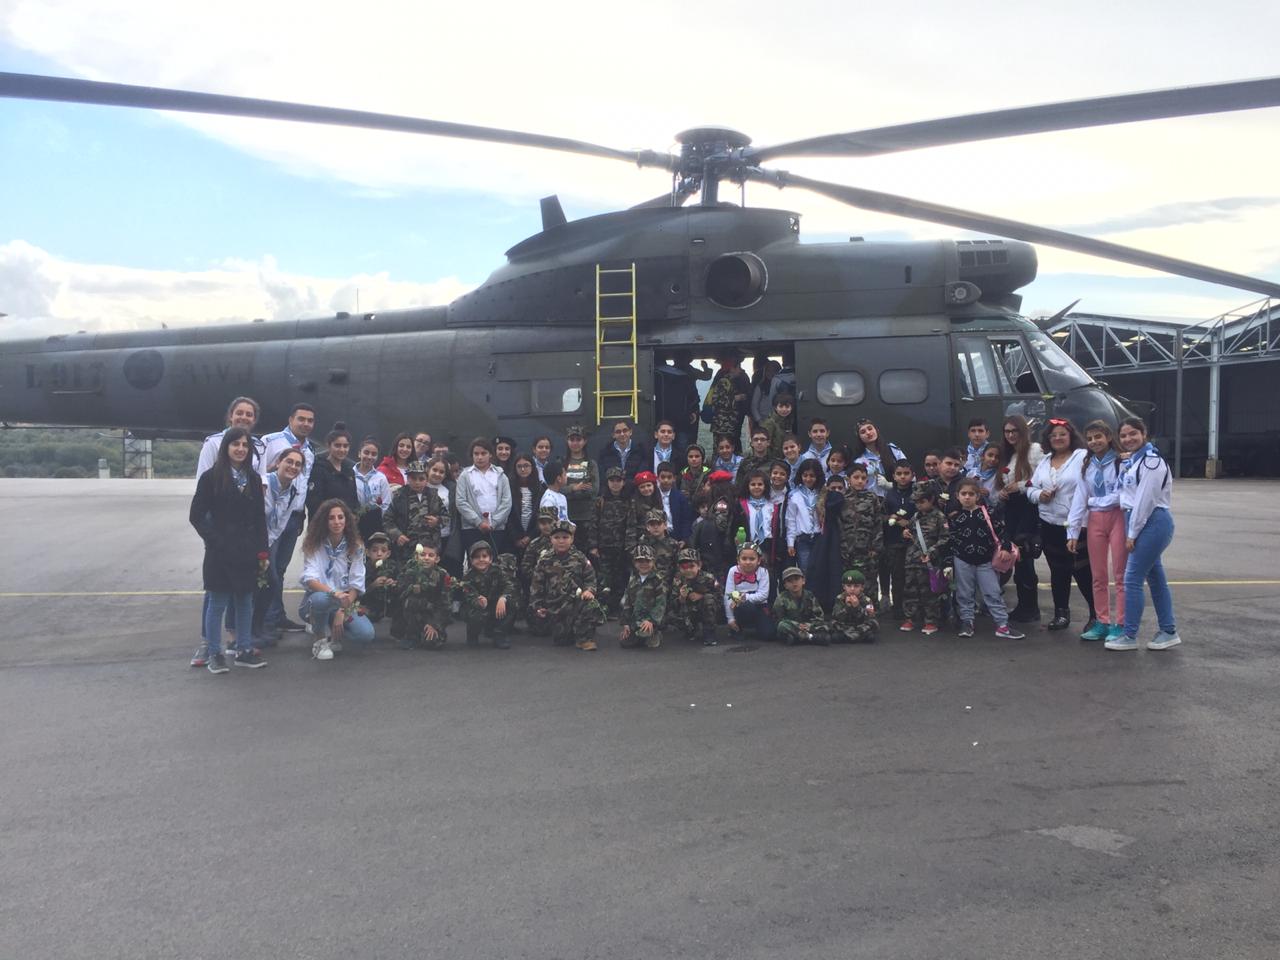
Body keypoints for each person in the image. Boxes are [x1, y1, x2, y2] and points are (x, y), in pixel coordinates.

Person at [189, 427, 269, 673]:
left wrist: (263, 551)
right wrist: (215, 540)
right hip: (220, 551)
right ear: (226, 447)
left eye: (245, 445)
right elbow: (196, 515)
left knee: (245, 601)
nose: (240, 449)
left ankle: (243, 650)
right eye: (236, 444)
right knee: (218, 602)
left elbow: (259, 518)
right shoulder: (211, 478)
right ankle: (215, 653)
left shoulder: (253, 479)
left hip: (247, 550)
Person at [1105, 417, 1179, 652]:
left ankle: (1129, 635)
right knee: (1155, 578)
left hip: (1151, 522)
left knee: (1132, 579)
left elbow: (1145, 502)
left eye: (1133, 434)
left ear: (1144, 434)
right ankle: (1168, 630)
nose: (1128, 439)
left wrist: (1132, 533)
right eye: (1124, 435)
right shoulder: (1135, 462)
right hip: (1140, 521)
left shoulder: (1151, 463)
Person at [1027, 418, 1095, 633]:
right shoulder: (1045, 461)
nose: (1057, 438)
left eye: (1062, 434)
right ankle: (1061, 613)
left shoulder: (1082, 456)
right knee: (1057, 571)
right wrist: (1040, 494)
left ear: (1071, 436)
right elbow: (1030, 489)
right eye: (1053, 435)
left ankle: (1096, 615)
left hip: (1077, 525)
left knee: (1082, 571)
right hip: (1050, 523)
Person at [1067, 420, 1128, 643]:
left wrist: (1095, 501)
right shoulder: (1087, 466)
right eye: (1090, 438)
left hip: (1118, 517)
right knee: (1098, 575)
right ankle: (1102, 621)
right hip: (1095, 521)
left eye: (1098, 437)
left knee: (1121, 574)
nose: (1094, 442)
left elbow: (1122, 494)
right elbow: (1079, 499)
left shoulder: (1122, 463)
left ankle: (1121, 623)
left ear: (1109, 437)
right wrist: (1072, 532)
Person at [259, 403, 317, 632]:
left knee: (280, 569)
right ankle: (263, 620)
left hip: (294, 516)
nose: (305, 424)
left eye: (310, 420)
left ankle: (276, 616)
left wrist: (302, 515)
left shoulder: (310, 450)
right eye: (301, 419)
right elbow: (258, 473)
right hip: (272, 515)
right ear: (291, 419)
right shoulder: (271, 441)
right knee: (268, 571)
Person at [299, 498, 373, 661]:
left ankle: (333, 634)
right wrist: (334, 593)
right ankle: (320, 640)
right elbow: (310, 579)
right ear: (324, 522)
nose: (337, 522)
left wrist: (342, 611)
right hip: (318, 598)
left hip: (344, 600)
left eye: (340, 517)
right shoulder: (314, 544)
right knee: (321, 599)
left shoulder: (356, 546)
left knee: (366, 634)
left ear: (347, 520)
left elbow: (356, 584)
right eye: (331, 518)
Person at [950, 479, 1025, 640]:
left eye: (971, 494)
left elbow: (1002, 531)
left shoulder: (988, 512)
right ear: (957, 496)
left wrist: (1005, 548)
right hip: (962, 559)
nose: (967, 497)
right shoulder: (954, 516)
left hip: (986, 560)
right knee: (964, 593)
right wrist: (948, 562)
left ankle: (1002, 625)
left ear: (978, 496)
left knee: (993, 592)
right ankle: (967, 622)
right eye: (964, 494)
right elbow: (949, 539)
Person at [249, 447, 305, 649]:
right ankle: (248, 631)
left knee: (270, 583)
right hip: (251, 540)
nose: (293, 467)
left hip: (268, 541)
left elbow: (281, 522)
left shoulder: (293, 491)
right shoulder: (262, 484)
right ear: (279, 462)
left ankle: (258, 627)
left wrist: (268, 546)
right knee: (259, 584)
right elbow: (251, 516)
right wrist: (259, 547)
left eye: (298, 464)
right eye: (289, 461)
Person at [530, 520, 606, 651]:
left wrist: (589, 590)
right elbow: (536, 585)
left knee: (591, 604)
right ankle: (569, 630)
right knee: (561, 640)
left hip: (575, 603)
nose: (561, 541)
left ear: (572, 539)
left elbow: (590, 578)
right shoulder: (544, 560)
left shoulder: (580, 558)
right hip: (555, 606)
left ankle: (584, 638)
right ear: (551, 539)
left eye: (565, 537)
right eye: (557, 537)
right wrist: (538, 606)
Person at [999, 415, 1043, 623]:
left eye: (1014, 431)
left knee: (1025, 558)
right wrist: (1002, 492)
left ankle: (1030, 607)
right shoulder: (1007, 454)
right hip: (1012, 509)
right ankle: (1024, 605)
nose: (1010, 435)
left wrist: (1021, 485)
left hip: (1028, 507)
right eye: (1007, 431)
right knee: (1018, 559)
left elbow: (1042, 478)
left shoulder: (1034, 450)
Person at [900, 482, 948, 635]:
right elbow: (911, 533)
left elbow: (945, 538)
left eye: (922, 501)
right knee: (910, 590)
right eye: (916, 502)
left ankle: (930, 620)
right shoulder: (915, 517)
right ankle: (910, 617)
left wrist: (932, 552)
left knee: (929, 592)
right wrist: (905, 534)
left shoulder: (939, 517)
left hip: (928, 562)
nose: (919, 505)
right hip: (912, 561)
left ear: (931, 499)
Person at [588, 467, 636, 615]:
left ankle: (616, 609)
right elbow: (593, 524)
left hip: (622, 548)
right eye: (612, 480)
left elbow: (631, 525)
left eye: (618, 480)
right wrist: (593, 546)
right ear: (607, 482)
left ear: (623, 482)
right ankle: (602, 609)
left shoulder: (629, 502)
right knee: (604, 580)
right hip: (604, 548)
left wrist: (630, 547)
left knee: (620, 579)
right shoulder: (600, 501)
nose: (615, 483)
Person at [456, 437, 513, 556]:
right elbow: (461, 502)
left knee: (494, 560)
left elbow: (506, 502)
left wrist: (494, 522)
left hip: (496, 528)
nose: (480, 457)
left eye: (483, 453)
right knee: (475, 560)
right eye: (476, 454)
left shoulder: (500, 475)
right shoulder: (465, 475)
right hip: (472, 529)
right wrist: (478, 522)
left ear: (490, 454)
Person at [839, 463, 884, 606]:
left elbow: (878, 523)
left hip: (867, 549)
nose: (860, 481)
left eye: (863, 478)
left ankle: (871, 610)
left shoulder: (872, 498)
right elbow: (838, 525)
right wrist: (842, 547)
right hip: (847, 549)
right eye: (856, 477)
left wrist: (875, 547)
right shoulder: (842, 498)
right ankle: (848, 610)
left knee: (869, 581)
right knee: (849, 581)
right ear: (848, 479)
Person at [458, 540, 517, 649]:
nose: (481, 559)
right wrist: (477, 599)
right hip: (477, 606)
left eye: (484, 556)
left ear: (490, 559)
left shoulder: (498, 570)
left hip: (494, 603)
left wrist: (503, 598)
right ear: (471, 560)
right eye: (477, 557)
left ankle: (499, 634)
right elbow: (467, 594)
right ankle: (472, 635)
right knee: (474, 611)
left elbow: (509, 585)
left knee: (511, 603)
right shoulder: (468, 576)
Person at [383, 460, 446, 563]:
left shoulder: (433, 496)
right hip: (406, 547)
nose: (417, 482)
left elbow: (446, 517)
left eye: (421, 479)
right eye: (413, 478)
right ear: (408, 479)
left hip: (429, 548)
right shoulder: (399, 496)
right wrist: (397, 535)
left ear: (426, 479)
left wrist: (437, 521)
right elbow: (387, 520)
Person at [395, 541, 452, 649]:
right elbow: (399, 593)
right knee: (410, 601)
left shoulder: (442, 575)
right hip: (412, 614)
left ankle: (430, 633)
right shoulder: (409, 572)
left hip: (433, 614)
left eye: (431, 555)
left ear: (437, 559)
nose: (426, 558)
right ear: (416, 557)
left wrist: (434, 624)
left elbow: (446, 605)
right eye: (423, 555)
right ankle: (411, 636)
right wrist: (411, 588)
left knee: (433, 643)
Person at [882, 459, 917, 620]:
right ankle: (898, 610)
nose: (903, 477)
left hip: (914, 541)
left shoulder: (917, 492)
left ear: (912, 475)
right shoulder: (889, 495)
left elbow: (925, 512)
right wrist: (893, 518)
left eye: (906, 473)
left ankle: (915, 609)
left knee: (914, 577)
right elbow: (881, 516)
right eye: (899, 474)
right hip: (894, 541)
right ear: (894, 476)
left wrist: (909, 523)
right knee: (897, 577)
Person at [196, 396, 263, 477]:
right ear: (231, 416)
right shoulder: (213, 443)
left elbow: (262, 478)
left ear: (254, 420)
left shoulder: (259, 446)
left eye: (249, 415)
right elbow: (202, 477)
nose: (243, 417)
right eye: (239, 413)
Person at [619, 544, 668, 649]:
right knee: (625, 642)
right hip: (636, 618)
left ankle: (655, 633)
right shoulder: (633, 579)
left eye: (647, 561)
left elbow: (661, 604)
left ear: (653, 562)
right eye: (640, 561)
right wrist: (626, 623)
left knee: (647, 638)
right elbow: (627, 602)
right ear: (634, 562)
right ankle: (637, 634)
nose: (644, 564)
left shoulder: (658, 580)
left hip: (651, 618)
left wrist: (651, 620)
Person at [669, 547, 720, 646]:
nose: (688, 570)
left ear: (699, 565)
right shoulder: (678, 580)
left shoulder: (708, 578)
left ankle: (709, 632)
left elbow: (719, 596)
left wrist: (702, 596)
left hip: (704, 609)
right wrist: (681, 598)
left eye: (691, 566)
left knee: (709, 600)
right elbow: (672, 603)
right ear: (679, 567)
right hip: (687, 610)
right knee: (671, 615)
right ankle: (690, 630)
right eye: (684, 567)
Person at [724, 541, 775, 641]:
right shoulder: (733, 571)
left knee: (769, 634)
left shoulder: (763, 572)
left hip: (759, 605)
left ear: (759, 560)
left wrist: (744, 597)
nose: (748, 562)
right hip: (738, 605)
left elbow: (763, 595)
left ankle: (758, 626)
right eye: (744, 558)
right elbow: (728, 595)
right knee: (745, 606)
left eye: (752, 559)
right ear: (738, 560)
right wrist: (730, 619)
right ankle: (737, 628)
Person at [306, 422, 358, 518]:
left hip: (345, 522)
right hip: (323, 522)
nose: (342, 450)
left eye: (345, 446)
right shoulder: (318, 469)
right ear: (329, 446)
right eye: (337, 445)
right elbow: (313, 502)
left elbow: (354, 500)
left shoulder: (350, 471)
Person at [772, 567, 833, 646]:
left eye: (797, 579)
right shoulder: (781, 599)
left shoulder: (809, 596)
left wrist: (808, 625)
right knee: (782, 626)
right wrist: (797, 625)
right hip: (791, 626)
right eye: (790, 581)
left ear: (803, 581)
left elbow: (819, 616)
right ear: (785, 585)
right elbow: (778, 620)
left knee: (827, 625)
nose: (794, 583)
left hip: (807, 626)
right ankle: (810, 637)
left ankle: (797, 638)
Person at [668, 349, 714, 451]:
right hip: (690, 407)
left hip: (676, 408)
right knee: (689, 437)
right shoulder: (690, 371)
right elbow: (706, 376)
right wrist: (705, 368)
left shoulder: (670, 371)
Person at [563, 425, 599, 551]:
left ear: (584, 441)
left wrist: (571, 490)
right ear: (567, 441)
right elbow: (559, 489)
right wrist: (574, 488)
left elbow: (594, 490)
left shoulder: (591, 464)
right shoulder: (562, 463)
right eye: (572, 439)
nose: (575, 443)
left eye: (578, 439)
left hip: (587, 517)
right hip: (567, 516)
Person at [425, 456, 463, 575]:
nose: (437, 474)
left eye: (441, 472)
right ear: (428, 469)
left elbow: (453, 516)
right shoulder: (419, 486)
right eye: (435, 470)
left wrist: (439, 520)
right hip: (424, 538)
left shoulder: (450, 490)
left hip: (445, 537)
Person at [707, 350, 750, 453]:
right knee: (721, 449)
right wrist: (735, 399)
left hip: (731, 423)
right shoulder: (723, 381)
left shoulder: (738, 379)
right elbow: (716, 400)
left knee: (731, 448)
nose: (740, 370)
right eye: (738, 368)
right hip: (722, 424)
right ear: (732, 368)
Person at [852, 418, 907, 497]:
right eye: (863, 432)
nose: (868, 433)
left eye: (870, 428)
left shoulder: (892, 450)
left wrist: (891, 485)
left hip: (897, 497)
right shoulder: (859, 460)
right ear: (859, 437)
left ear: (876, 430)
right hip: (871, 500)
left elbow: (909, 474)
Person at [786, 458, 823, 573]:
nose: (808, 479)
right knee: (805, 569)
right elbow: (791, 520)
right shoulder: (794, 495)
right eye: (805, 475)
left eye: (812, 476)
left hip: (819, 537)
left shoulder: (822, 493)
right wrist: (790, 543)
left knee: (819, 569)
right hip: (802, 539)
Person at [353, 437, 391, 542]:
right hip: (353, 521)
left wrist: (380, 523)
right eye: (366, 452)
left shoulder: (381, 478)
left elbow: (386, 504)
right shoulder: (350, 474)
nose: (370, 457)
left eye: (374, 454)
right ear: (359, 453)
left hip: (374, 522)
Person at [360, 531, 399, 626]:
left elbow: (402, 585)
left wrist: (394, 583)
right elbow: (358, 594)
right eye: (374, 550)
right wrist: (373, 586)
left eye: (383, 551)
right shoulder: (363, 569)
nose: (379, 554)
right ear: (367, 552)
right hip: (369, 608)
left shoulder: (393, 567)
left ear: (388, 553)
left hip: (389, 609)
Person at [831, 569, 879, 643]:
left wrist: (857, 607)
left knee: (872, 624)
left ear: (862, 587)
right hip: (845, 625)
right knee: (833, 624)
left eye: (856, 586)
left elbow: (870, 617)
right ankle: (856, 637)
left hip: (859, 625)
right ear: (844, 587)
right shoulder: (840, 598)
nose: (852, 589)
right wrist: (847, 608)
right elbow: (836, 616)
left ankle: (849, 636)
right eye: (849, 586)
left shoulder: (867, 600)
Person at [636, 508, 679, 582]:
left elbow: (678, 569)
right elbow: (637, 567)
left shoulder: (673, 545)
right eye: (652, 524)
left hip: (668, 583)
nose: (655, 527)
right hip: (648, 583)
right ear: (647, 527)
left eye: (659, 524)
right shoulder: (643, 544)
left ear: (665, 525)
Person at [656, 462, 693, 542]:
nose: (666, 480)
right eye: (663, 477)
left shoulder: (680, 497)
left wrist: (684, 539)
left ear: (674, 478)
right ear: (657, 478)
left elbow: (686, 520)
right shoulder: (653, 496)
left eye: (669, 477)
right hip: (657, 536)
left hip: (676, 536)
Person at [736, 428, 774, 494]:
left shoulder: (774, 464)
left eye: (762, 439)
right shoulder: (745, 464)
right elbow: (739, 486)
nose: (759, 442)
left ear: (768, 443)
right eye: (756, 440)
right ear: (752, 443)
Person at [749, 358, 781, 433]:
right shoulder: (760, 387)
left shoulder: (781, 386)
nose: (770, 373)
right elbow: (754, 406)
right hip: (764, 420)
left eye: (773, 371)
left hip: (778, 421)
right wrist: (760, 421)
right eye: (768, 371)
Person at [761, 393, 794, 460]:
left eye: (787, 407)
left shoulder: (789, 421)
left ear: (791, 407)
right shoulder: (770, 423)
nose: (784, 409)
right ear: (775, 408)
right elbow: (765, 444)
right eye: (781, 406)